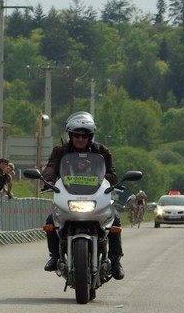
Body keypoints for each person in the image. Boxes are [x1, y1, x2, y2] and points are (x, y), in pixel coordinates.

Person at [40, 110, 123, 279]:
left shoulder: (102, 151)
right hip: (69, 195)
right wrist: (48, 180)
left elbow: (112, 175)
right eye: (76, 135)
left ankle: (115, 261)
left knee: (115, 219)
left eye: (84, 136)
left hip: (95, 197)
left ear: (90, 136)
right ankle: (55, 256)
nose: (80, 139)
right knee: (51, 220)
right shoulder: (60, 151)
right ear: (70, 135)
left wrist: (95, 174)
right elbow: (51, 168)